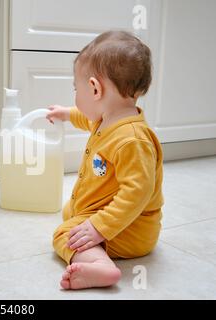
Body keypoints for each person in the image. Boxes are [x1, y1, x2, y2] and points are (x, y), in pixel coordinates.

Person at [46, 31, 164, 290]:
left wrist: (99, 227)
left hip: (132, 229)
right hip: (113, 216)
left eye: (76, 89)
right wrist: (66, 114)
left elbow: (137, 192)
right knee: (70, 211)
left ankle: (100, 266)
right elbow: (86, 118)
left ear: (95, 88)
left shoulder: (133, 140)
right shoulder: (108, 119)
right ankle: (91, 234)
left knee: (65, 234)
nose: (75, 95)